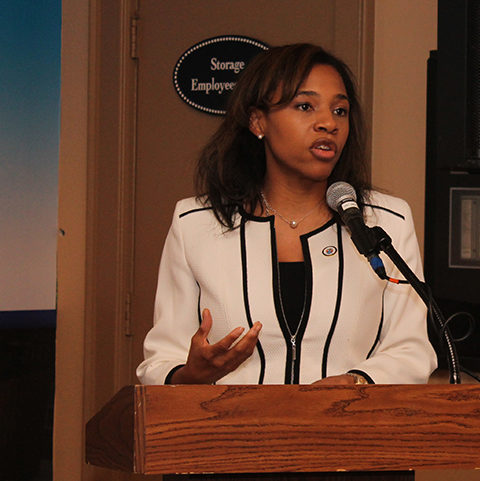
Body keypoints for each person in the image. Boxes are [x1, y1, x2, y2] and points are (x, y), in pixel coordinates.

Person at [136, 44, 437, 386]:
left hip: (347, 432)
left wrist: (357, 383)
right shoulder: (196, 223)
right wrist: (191, 375)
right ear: (257, 120)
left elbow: (411, 350)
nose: (328, 123)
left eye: (340, 110)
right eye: (305, 106)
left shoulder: (386, 222)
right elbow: (160, 360)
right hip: (230, 434)